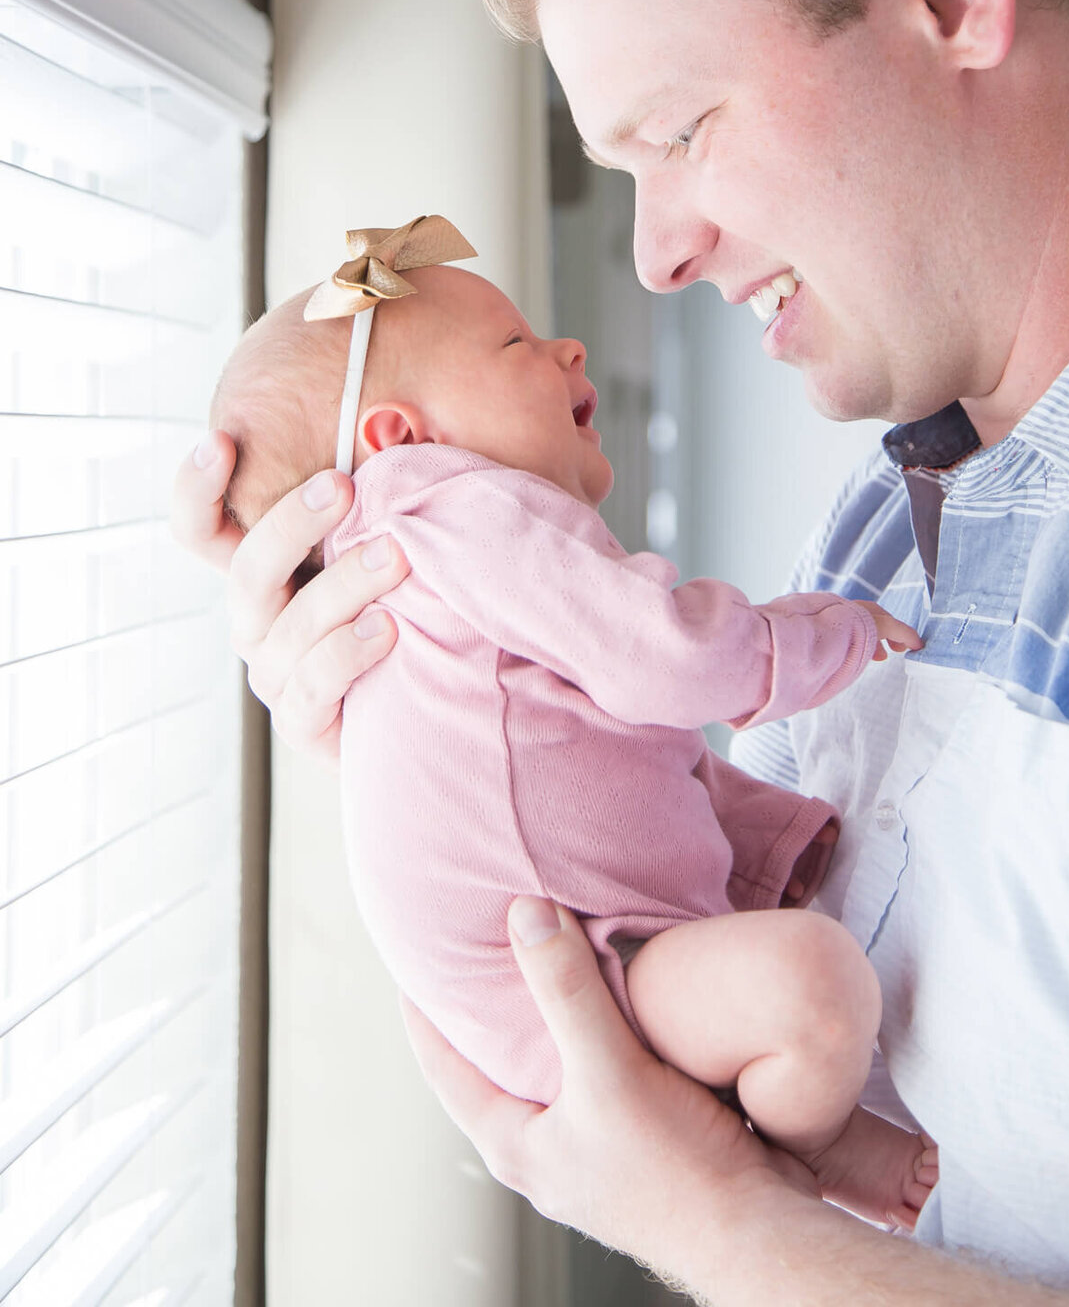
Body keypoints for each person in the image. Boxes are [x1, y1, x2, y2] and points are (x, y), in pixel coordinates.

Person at [174, 0, 1069, 1302]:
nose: (652, 257)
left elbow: (722, 1196)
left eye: (678, 133)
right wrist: (424, 711)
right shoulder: (892, 525)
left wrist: (707, 1229)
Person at [212, 240, 932, 1227]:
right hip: (584, 986)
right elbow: (666, 659)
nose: (569, 349)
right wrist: (823, 639)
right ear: (401, 437)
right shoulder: (437, 504)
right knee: (811, 985)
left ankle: (785, 1038)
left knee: (790, 965)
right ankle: (820, 1149)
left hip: (581, 973)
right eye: (515, 341)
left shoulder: (424, 598)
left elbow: (618, 753)